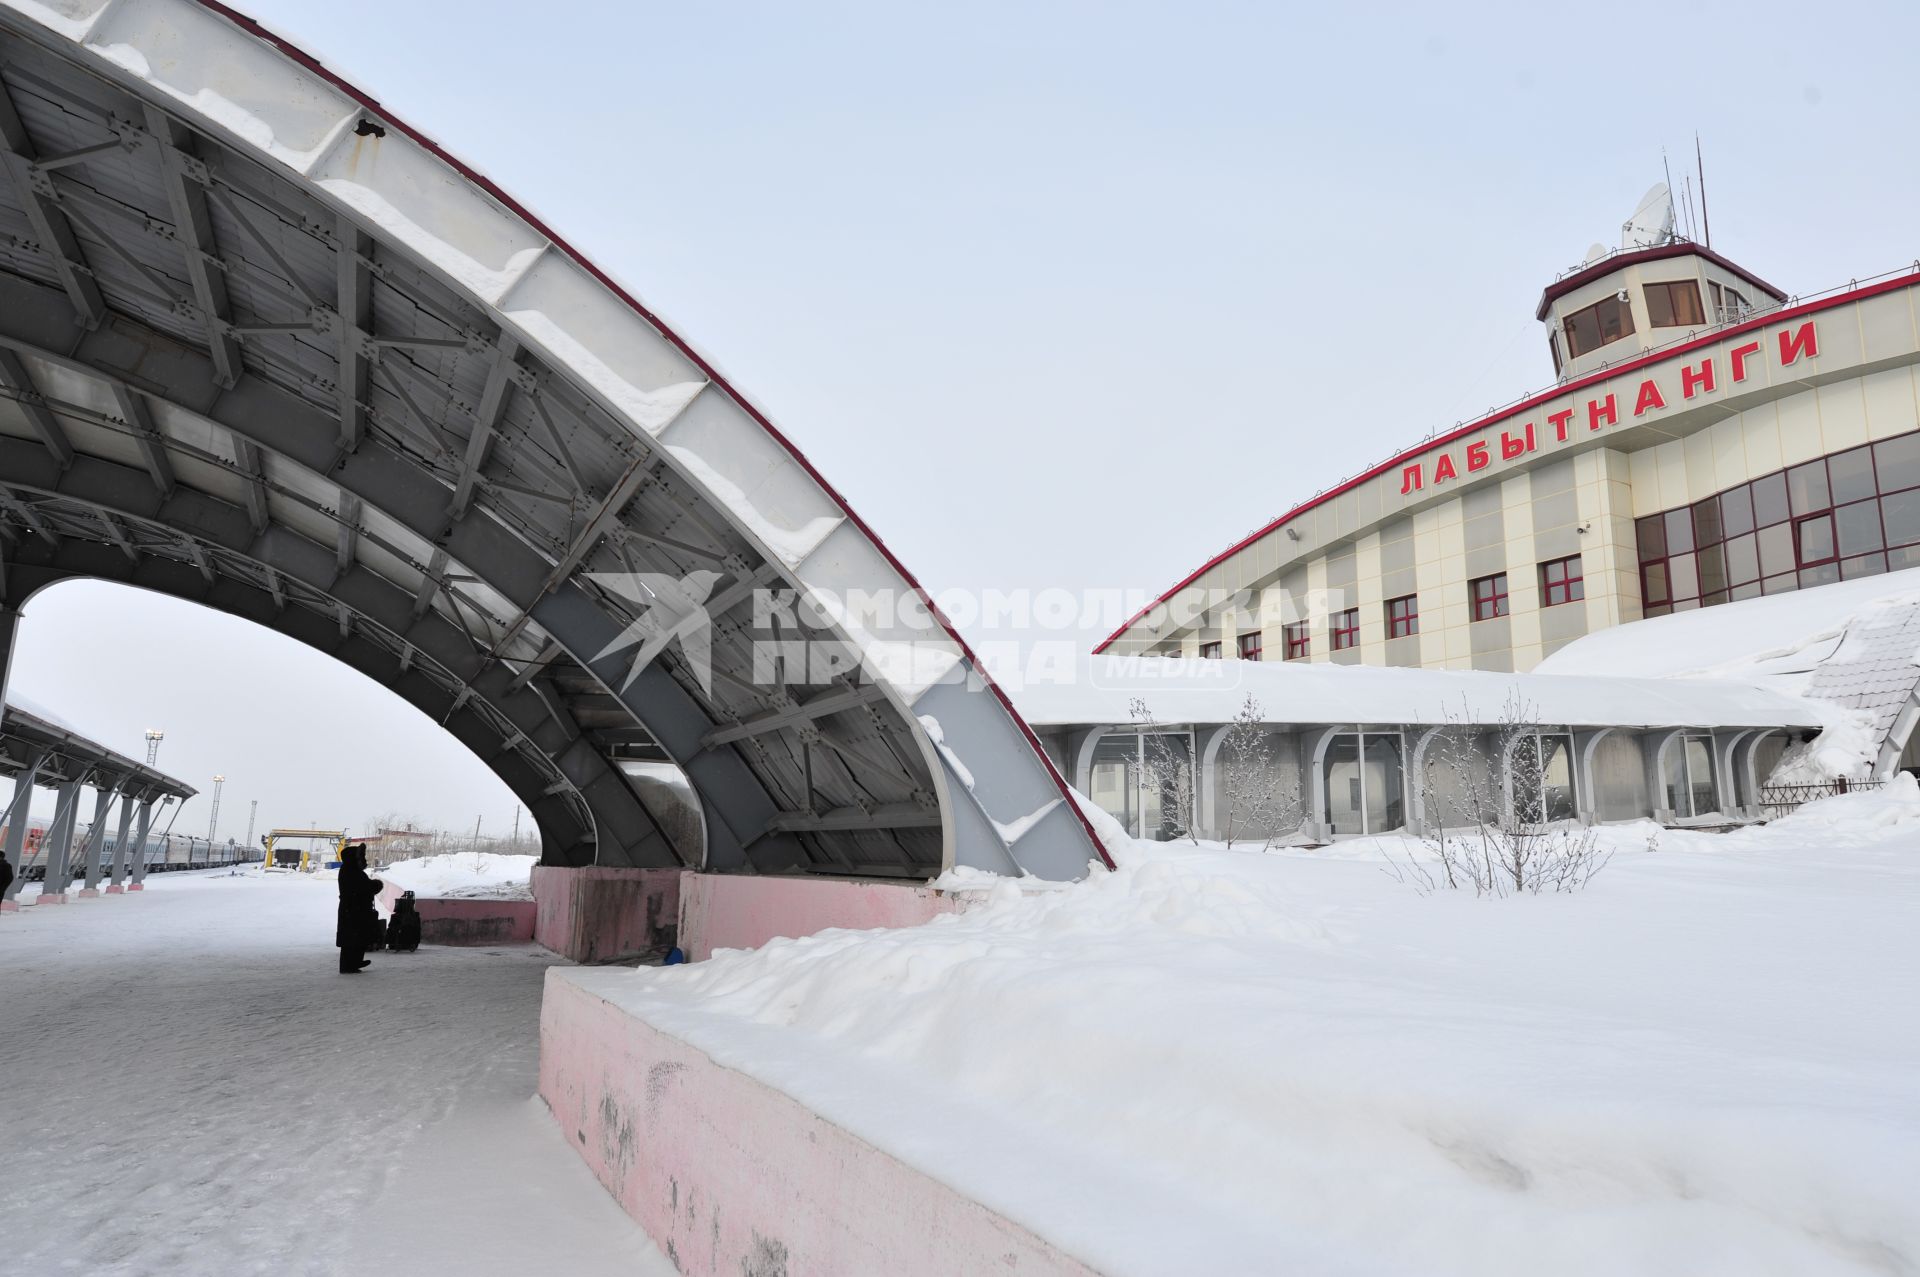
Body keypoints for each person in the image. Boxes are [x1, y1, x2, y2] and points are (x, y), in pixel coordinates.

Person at [335, 843, 383, 974]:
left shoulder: (349, 870)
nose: (364, 860)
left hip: (352, 910)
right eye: (361, 857)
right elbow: (366, 887)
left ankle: (354, 962)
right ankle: (349, 965)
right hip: (354, 910)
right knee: (352, 939)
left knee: (355, 938)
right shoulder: (353, 872)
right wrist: (377, 884)